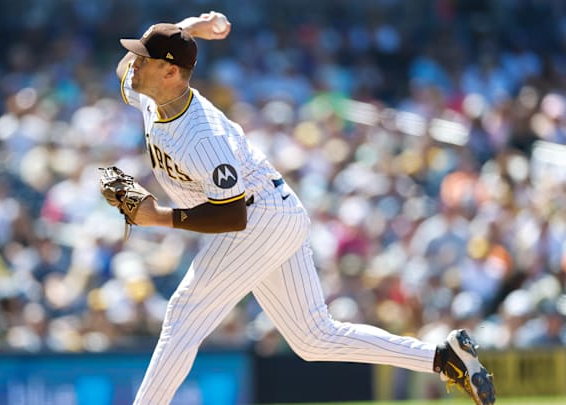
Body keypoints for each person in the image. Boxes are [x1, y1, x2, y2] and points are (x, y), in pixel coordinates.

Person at [109, 11, 496, 405]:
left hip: (258, 218)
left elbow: (232, 215)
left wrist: (157, 216)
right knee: (313, 338)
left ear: (171, 73)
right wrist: (186, 30)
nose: (134, 65)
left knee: (183, 315)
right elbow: (124, 70)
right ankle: (444, 358)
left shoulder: (203, 137)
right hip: (275, 214)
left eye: (144, 58)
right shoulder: (149, 92)